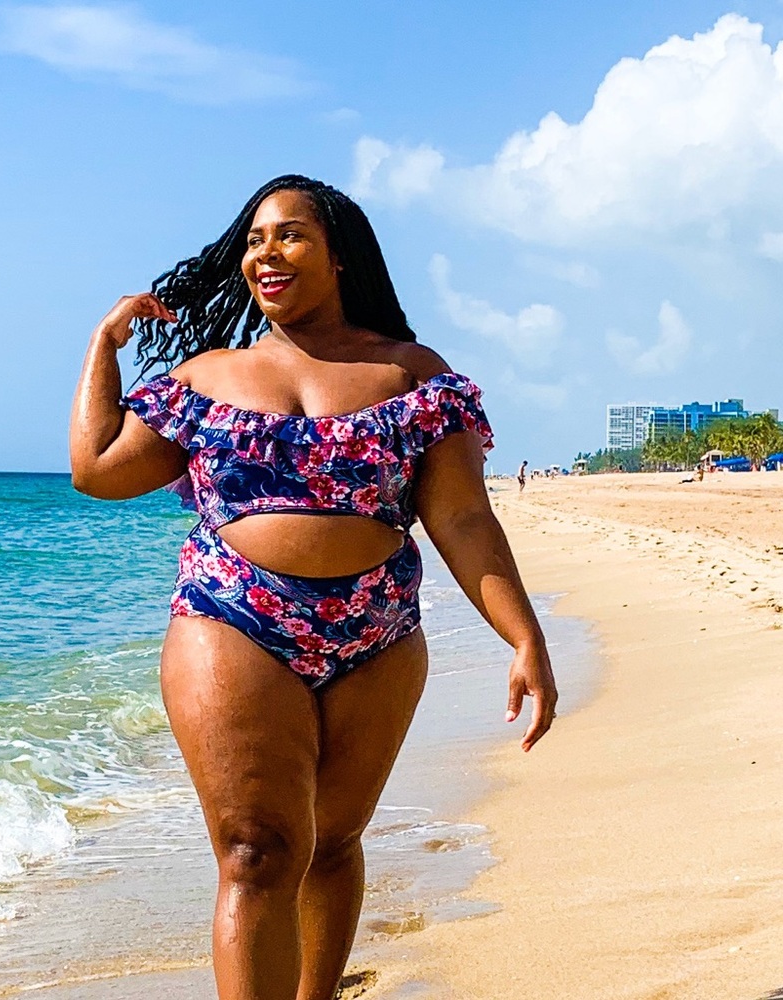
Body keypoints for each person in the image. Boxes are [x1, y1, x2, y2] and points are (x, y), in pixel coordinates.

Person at [69, 175, 557, 1000]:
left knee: (333, 843)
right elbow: (97, 470)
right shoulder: (207, 377)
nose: (267, 253)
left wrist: (524, 636)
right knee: (256, 851)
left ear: (338, 255)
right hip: (234, 616)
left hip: (377, 633)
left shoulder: (411, 375)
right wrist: (102, 346)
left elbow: (464, 521)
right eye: (255, 240)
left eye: (289, 235)